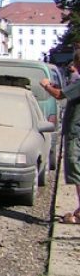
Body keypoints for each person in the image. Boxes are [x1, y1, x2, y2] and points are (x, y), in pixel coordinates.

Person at [40, 48, 80, 223]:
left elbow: (59, 95)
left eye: (75, 63)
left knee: (76, 169)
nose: (72, 66)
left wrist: (46, 85)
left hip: (76, 133)